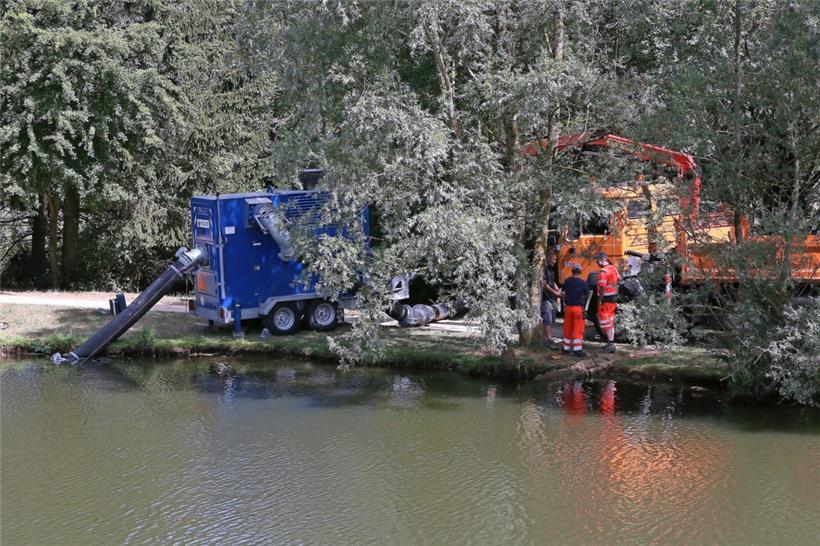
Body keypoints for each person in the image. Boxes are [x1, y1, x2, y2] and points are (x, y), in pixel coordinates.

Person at [561, 263, 590, 357]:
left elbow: (562, 292)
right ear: (580, 272)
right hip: (578, 309)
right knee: (578, 329)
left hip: (568, 308)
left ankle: (566, 348)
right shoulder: (583, 283)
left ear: (572, 271)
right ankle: (577, 350)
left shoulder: (567, 281)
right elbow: (587, 294)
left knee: (567, 328)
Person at [595, 251, 621, 353]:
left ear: (602, 260)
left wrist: (600, 299)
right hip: (613, 297)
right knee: (610, 320)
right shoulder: (613, 268)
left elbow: (602, 286)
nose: (597, 263)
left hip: (606, 299)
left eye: (597, 261)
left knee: (605, 321)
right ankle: (610, 343)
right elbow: (619, 279)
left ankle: (611, 344)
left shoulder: (603, 272)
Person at [541, 251, 562, 349]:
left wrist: (558, 290)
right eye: (554, 259)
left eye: (556, 259)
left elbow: (552, 283)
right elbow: (544, 284)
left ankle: (546, 337)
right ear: (548, 258)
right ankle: (548, 339)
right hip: (545, 297)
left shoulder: (551, 270)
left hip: (552, 297)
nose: (555, 261)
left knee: (552, 317)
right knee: (547, 317)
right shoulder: (543, 269)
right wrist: (555, 293)